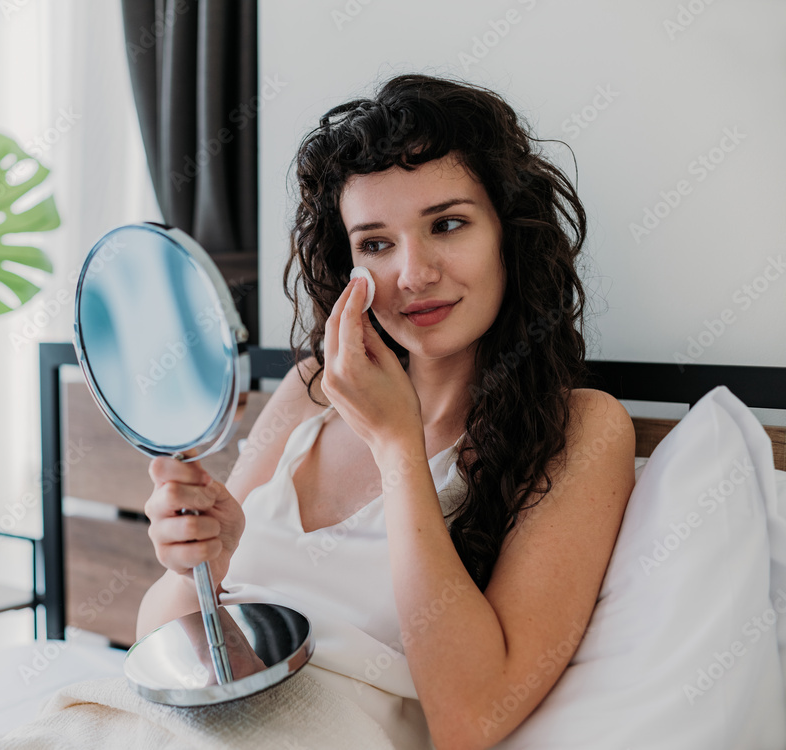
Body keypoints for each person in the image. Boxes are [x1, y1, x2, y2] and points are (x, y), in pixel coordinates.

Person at [137, 73, 636, 750]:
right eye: (375, 244)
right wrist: (199, 568)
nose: (414, 274)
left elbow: (471, 719)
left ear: (508, 234)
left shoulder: (580, 428)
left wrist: (398, 448)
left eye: (448, 225)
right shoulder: (311, 388)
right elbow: (159, 650)